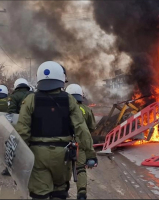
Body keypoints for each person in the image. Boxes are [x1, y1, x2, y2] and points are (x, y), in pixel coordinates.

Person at [15, 61, 98, 199]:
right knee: (60, 193)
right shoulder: (69, 100)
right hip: (63, 156)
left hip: (38, 156)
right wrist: (90, 154)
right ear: (61, 78)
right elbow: (82, 129)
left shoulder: (30, 100)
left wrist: (17, 160)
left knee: (39, 194)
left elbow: (22, 132)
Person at [66, 84, 96, 200]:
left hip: (66, 142)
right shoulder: (86, 109)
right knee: (81, 168)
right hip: (81, 143)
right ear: (81, 96)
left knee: (65, 167)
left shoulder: (63, 109)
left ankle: (63, 190)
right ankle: (81, 194)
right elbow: (92, 127)